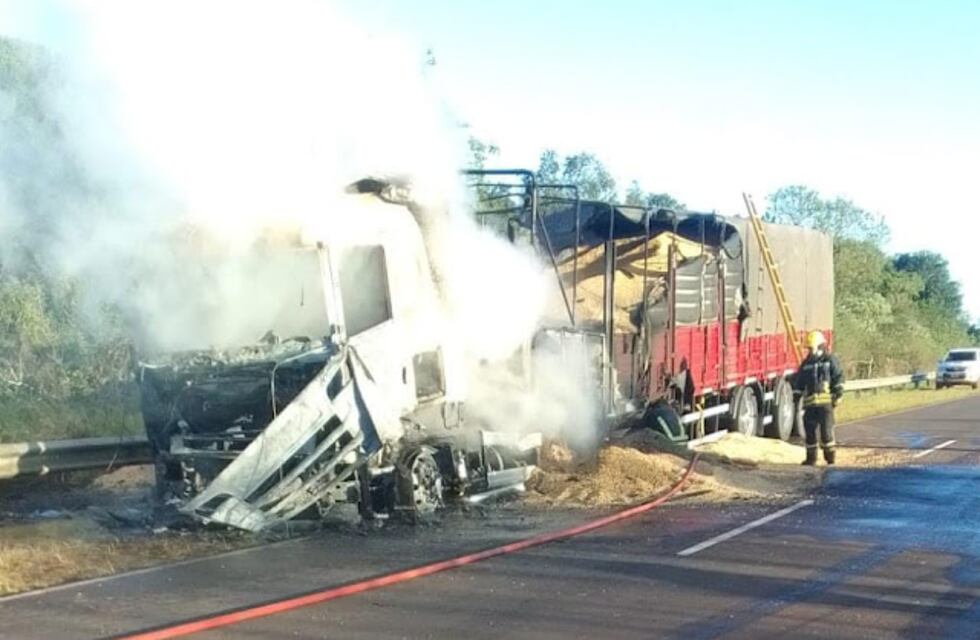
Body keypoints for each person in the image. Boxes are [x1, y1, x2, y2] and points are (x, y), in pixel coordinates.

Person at [792, 330, 844, 465]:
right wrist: (796, 395)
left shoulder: (830, 360)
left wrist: (838, 394)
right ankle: (811, 459)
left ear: (819, 346)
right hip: (810, 405)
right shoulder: (806, 363)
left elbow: (838, 377)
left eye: (810, 348)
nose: (809, 351)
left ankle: (830, 458)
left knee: (826, 434)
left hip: (826, 405)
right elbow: (800, 381)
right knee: (809, 433)